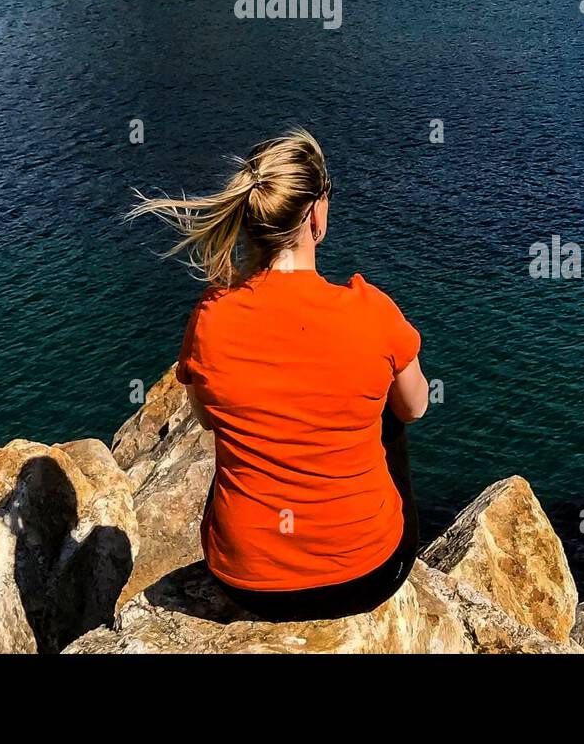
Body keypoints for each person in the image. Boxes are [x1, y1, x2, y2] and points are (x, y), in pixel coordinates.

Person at [128, 128, 427, 621]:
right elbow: (416, 407)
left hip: (246, 582)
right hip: (368, 575)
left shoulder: (212, 316)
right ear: (316, 212)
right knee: (390, 411)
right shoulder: (371, 311)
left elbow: (204, 418)